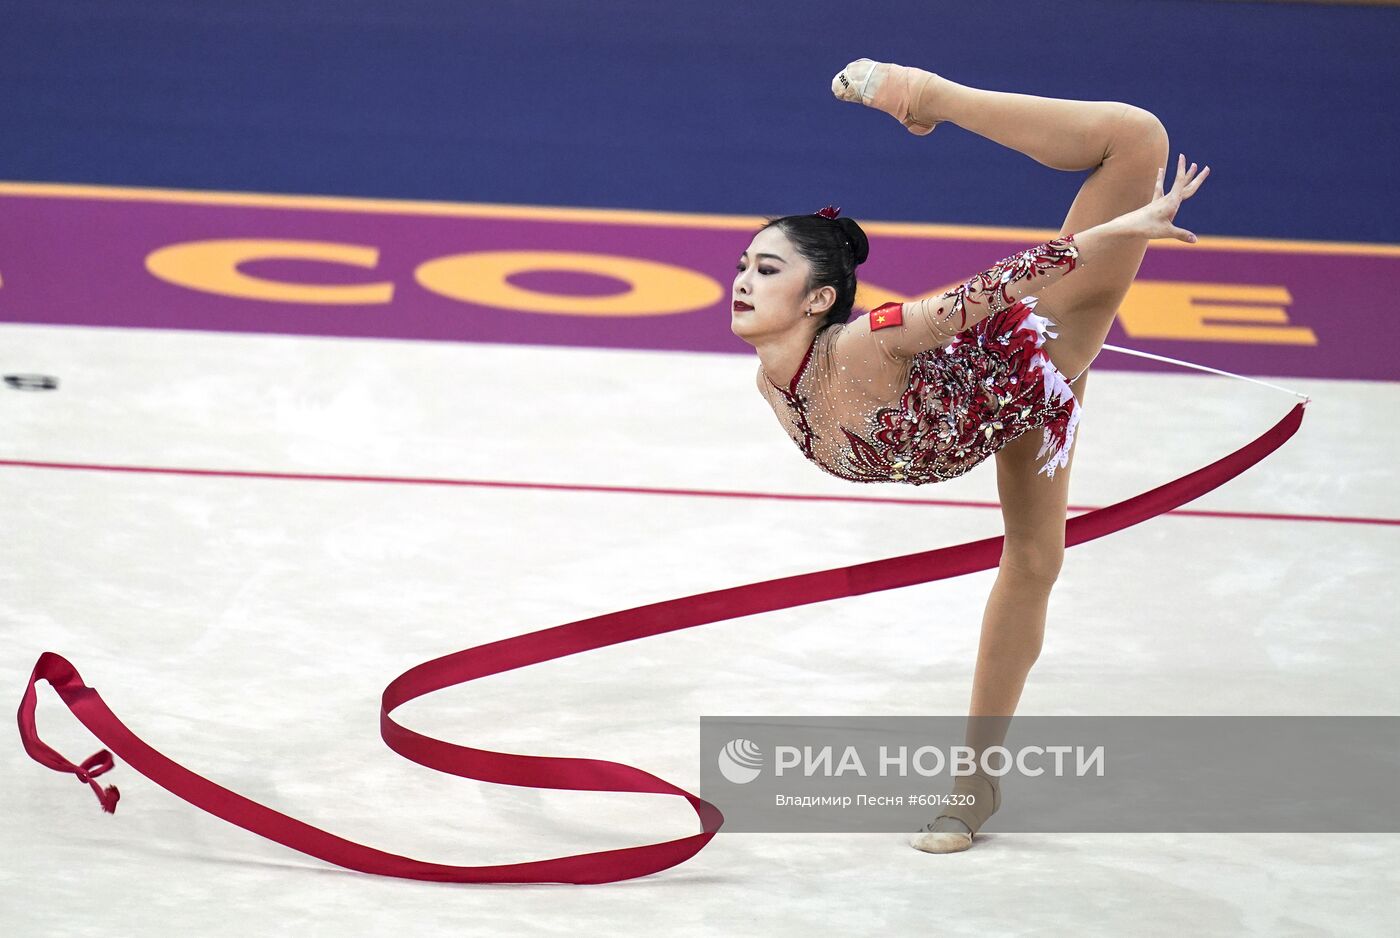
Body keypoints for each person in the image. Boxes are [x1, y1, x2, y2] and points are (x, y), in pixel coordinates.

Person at [730, 59, 1209, 853]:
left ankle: (931, 97)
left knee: (1136, 137)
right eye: (744, 265)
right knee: (1035, 558)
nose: (743, 281)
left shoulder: (863, 345)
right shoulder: (770, 385)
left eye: (766, 269)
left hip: (1033, 348)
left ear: (818, 300)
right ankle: (979, 782)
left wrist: (1114, 236)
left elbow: (986, 293)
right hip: (999, 415)